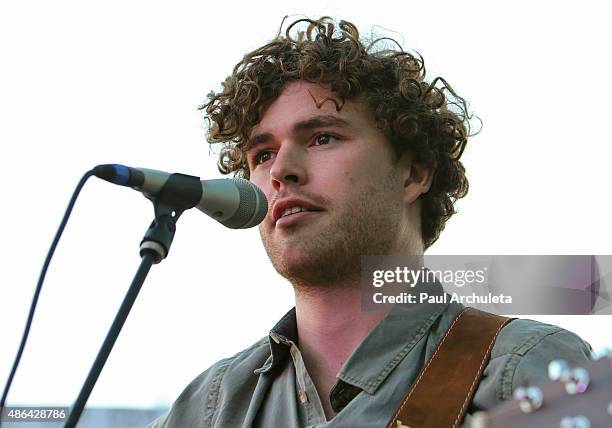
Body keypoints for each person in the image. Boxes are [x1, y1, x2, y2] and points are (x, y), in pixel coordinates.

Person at [149, 17, 591, 427]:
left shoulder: (522, 369)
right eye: (262, 154)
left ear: (414, 173)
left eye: (323, 137)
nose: (282, 170)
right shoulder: (210, 406)